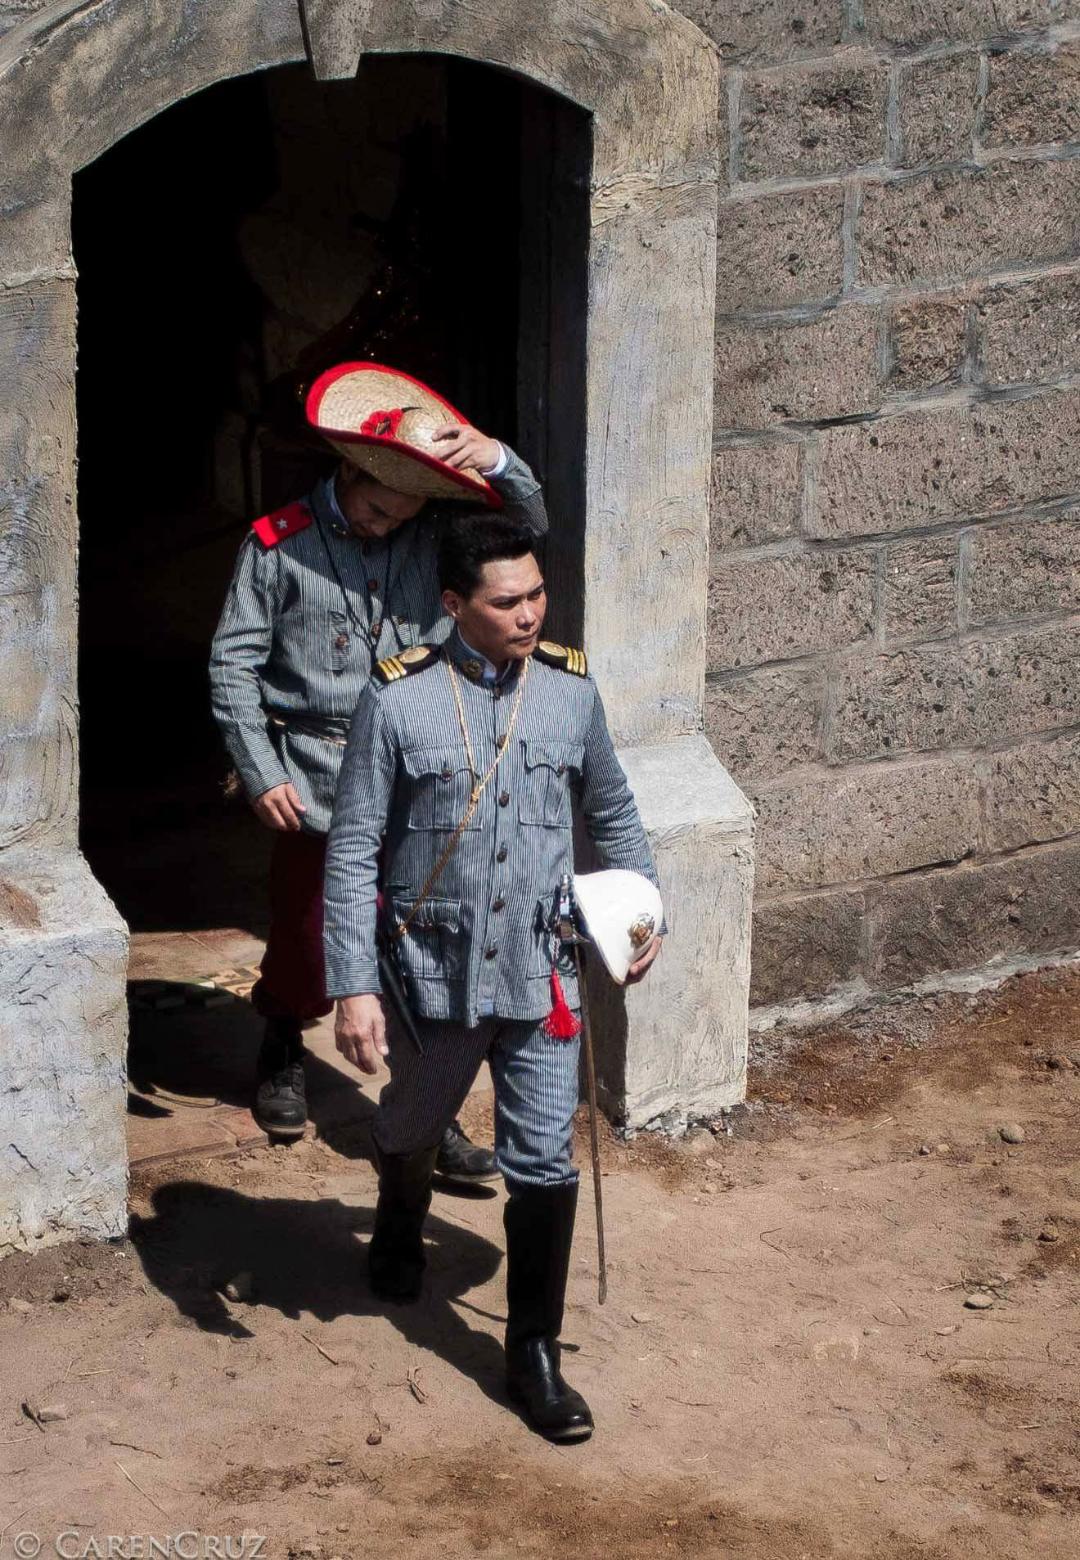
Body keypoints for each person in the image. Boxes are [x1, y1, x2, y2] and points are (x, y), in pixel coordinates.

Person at [322, 514, 663, 1443]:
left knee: (543, 1158)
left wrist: (642, 913)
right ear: (452, 606)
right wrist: (353, 986)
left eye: (537, 595)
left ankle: (532, 1352)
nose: (528, 615)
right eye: (506, 601)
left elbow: (616, 814)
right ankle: (400, 1210)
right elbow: (353, 850)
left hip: (542, 972)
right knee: (413, 1122)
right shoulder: (396, 703)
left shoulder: (568, 695)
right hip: (432, 973)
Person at [210, 363, 547, 1183]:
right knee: (308, 934)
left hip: (421, 772)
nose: (382, 524)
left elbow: (529, 521)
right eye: (374, 507)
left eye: (401, 514)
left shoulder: (434, 538)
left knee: (424, 945)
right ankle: (286, 1039)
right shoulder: (276, 545)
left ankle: (424, 1109)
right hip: (314, 774)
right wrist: (258, 771)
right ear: (349, 472)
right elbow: (231, 665)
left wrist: (496, 458)